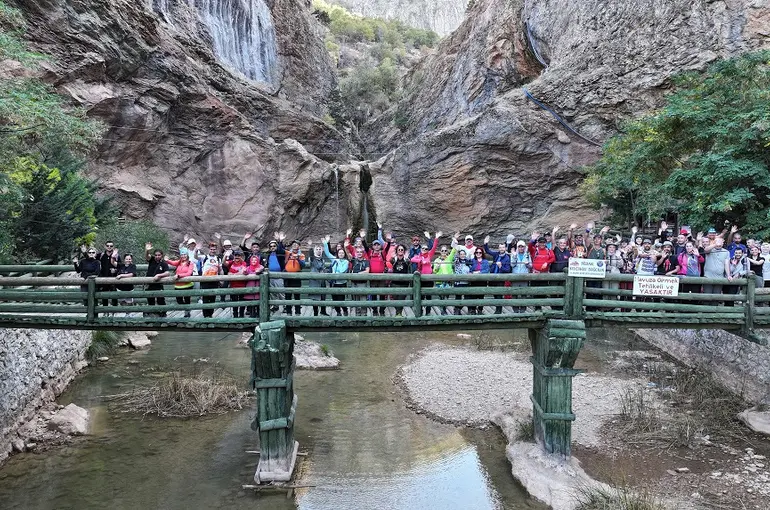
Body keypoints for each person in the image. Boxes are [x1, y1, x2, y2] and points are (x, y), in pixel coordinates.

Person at [410, 232, 441, 315]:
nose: (424, 250)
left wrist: (436, 238)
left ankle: (428, 311)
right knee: (420, 296)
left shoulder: (429, 255)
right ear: (421, 249)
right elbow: (412, 259)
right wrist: (420, 260)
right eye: (423, 248)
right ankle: (420, 311)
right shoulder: (418, 256)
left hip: (429, 279)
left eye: (426, 249)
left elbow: (434, 247)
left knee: (428, 296)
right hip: (421, 279)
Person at [323, 236, 350, 316]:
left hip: (342, 283)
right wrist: (325, 243)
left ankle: (345, 309)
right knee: (334, 299)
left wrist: (337, 263)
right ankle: (338, 312)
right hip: (334, 283)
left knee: (341, 299)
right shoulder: (334, 259)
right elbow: (327, 253)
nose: (341, 254)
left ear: (344, 254)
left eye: (342, 253)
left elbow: (342, 270)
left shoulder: (346, 262)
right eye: (339, 253)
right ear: (337, 254)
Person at [484, 236, 512, 314]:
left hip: (500, 278)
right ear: (498, 248)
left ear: (505, 248)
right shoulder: (496, 254)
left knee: (499, 294)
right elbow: (488, 251)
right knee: (495, 294)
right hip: (493, 277)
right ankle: (497, 308)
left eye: (503, 247)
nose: (501, 249)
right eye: (500, 247)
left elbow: (508, 270)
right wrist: (486, 243)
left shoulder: (507, 258)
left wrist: (501, 266)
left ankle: (498, 310)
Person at [165, 248, 196, 317]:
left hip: (187, 285)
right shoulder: (179, 262)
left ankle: (187, 313)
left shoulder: (190, 263)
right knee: (179, 301)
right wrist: (167, 260)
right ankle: (187, 308)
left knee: (187, 299)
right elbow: (173, 263)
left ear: (187, 255)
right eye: (182, 255)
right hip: (178, 285)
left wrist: (179, 275)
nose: (183, 256)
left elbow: (189, 273)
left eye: (184, 254)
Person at [144, 243, 170, 317]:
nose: (157, 256)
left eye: (159, 255)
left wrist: (159, 275)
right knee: (150, 299)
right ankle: (152, 313)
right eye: (156, 255)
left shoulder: (164, 263)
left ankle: (163, 313)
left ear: (161, 255)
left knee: (160, 299)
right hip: (150, 283)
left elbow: (167, 273)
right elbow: (147, 256)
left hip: (158, 284)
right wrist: (147, 250)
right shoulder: (152, 260)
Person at [199, 242, 223, 318]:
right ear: (209, 249)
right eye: (211, 249)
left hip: (215, 280)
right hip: (205, 280)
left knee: (213, 298)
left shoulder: (218, 258)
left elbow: (221, 269)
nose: (213, 251)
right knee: (205, 298)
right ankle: (206, 315)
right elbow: (196, 257)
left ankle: (211, 314)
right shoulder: (204, 257)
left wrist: (222, 278)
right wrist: (197, 249)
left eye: (214, 249)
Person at [264, 233, 286, 312]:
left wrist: (279, 241)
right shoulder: (269, 254)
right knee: (272, 292)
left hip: (279, 275)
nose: (273, 247)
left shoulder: (279, 253)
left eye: (274, 246)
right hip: (271, 275)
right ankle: (275, 305)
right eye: (271, 246)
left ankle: (285, 306)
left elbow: (281, 249)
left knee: (280, 291)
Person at [432, 244, 456, 315]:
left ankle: (443, 309)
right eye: (442, 251)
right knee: (442, 297)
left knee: (446, 296)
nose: (444, 252)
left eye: (445, 250)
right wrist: (437, 267)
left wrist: (455, 239)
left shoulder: (449, 258)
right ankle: (443, 310)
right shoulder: (437, 260)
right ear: (440, 252)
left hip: (448, 281)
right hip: (439, 281)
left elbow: (454, 250)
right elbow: (434, 271)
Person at [306, 241, 329, 317]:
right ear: (315, 250)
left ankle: (323, 311)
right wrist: (310, 247)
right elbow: (311, 256)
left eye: (320, 249)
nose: (318, 250)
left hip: (322, 281)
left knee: (323, 297)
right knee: (315, 298)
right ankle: (315, 314)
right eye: (317, 249)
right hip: (315, 282)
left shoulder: (323, 259)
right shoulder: (312, 259)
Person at [284, 239, 306, 316]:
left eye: (296, 245)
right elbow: (280, 250)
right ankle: (288, 312)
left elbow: (303, 265)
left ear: (299, 246)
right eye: (293, 245)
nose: (294, 246)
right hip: (287, 276)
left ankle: (297, 312)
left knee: (297, 295)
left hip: (297, 276)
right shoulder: (288, 253)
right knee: (288, 295)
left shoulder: (302, 255)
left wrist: (298, 259)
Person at [510, 240, 532, 313]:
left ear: (524, 247)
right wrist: (515, 257)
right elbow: (512, 265)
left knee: (523, 294)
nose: (521, 248)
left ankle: (523, 309)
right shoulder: (513, 254)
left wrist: (527, 264)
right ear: (517, 247)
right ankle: (515, 309)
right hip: (515, 277)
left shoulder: (527, 255)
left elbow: (530, 266)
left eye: (522, 247)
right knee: (514, 294)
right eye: (519, 247)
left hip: (524, 277)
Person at [390, 244, 411, 316]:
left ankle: (399, 314)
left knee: (401, 299)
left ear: (404, 251)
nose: (400, 251)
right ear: (396, 251)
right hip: (394, 283)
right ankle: (398, 313)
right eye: (399, 249)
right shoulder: (393, 260)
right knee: (395, 299)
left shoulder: (407, 260)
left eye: (402, 250)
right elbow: (390, 260)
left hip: (404, 283)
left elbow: (409, 264)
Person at [350, 243, 370, 316]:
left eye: (360, 252)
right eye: (357, 252)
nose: (359, 253)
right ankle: (357, 315)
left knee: (363, 299)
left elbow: (367, 271)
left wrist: (358, 274)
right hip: (354, 283)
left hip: (362, 283)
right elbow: (348, 253)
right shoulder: (353, 260)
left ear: (363, 253)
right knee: (356, 300)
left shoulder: (366, 261)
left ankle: (364, 315)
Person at [98, 241, 119, 308]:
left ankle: (114, 310)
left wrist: (115, 270)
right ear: (105, 246)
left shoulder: (117, 256)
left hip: (114, 278)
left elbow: (120, 266)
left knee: (114, 295)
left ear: (113, 247)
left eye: (111, 246)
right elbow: (90, 257)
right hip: (103, 278)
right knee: (104, 295)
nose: (109, 247)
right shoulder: (101, 255)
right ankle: (105, 310)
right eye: (107, 245)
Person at [469, 246, 490, 314]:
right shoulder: (473, 260)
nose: (478, 254)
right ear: (475, 253)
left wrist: (479, 272)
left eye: (480, 252)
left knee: (481, 296)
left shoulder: (485, 261)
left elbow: (487, 270)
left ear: (482, 253)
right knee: (473, 296)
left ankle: (480, 309)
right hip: (474, 281)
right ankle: (473, 309)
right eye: (477, 252)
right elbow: (470, 269)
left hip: (482, 281)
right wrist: (472, 272)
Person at [228, 250, 248, 318]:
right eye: (235, 255)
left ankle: (241, 315)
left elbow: (243, 272)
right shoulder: (231, 263)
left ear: (240, 256)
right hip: (233, 286)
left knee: (242, 301)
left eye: (238, 255)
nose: (237, 257)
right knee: (234, 302)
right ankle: (235, 316)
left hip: (242, 285)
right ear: (233, 256)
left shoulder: (244, 263)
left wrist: (233, 274)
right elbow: (224, 263)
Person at [453, 247, 473, 315]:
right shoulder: (457, 261)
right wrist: (457, 250)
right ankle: (457, 310)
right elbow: (455, 256)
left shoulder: (468, 262)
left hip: (466, 282)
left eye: (463, 254)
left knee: (467, 297)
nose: (462, 255)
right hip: (458, 282)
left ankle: (469, 310)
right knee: (458, 297)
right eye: (461, 254)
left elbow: (471, 269)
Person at [244, 254, 264, 318]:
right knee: (251, 302)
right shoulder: (248, 267)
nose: (254, 261)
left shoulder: (260, 266)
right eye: (252, 260)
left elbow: (260, 269)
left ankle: (258, 314)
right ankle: (252, 314)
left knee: (258, 302)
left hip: (258, 286)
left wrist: (258, 270)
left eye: (255, 260)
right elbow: (244, 272)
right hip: (250, 286)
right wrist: (244, 272)